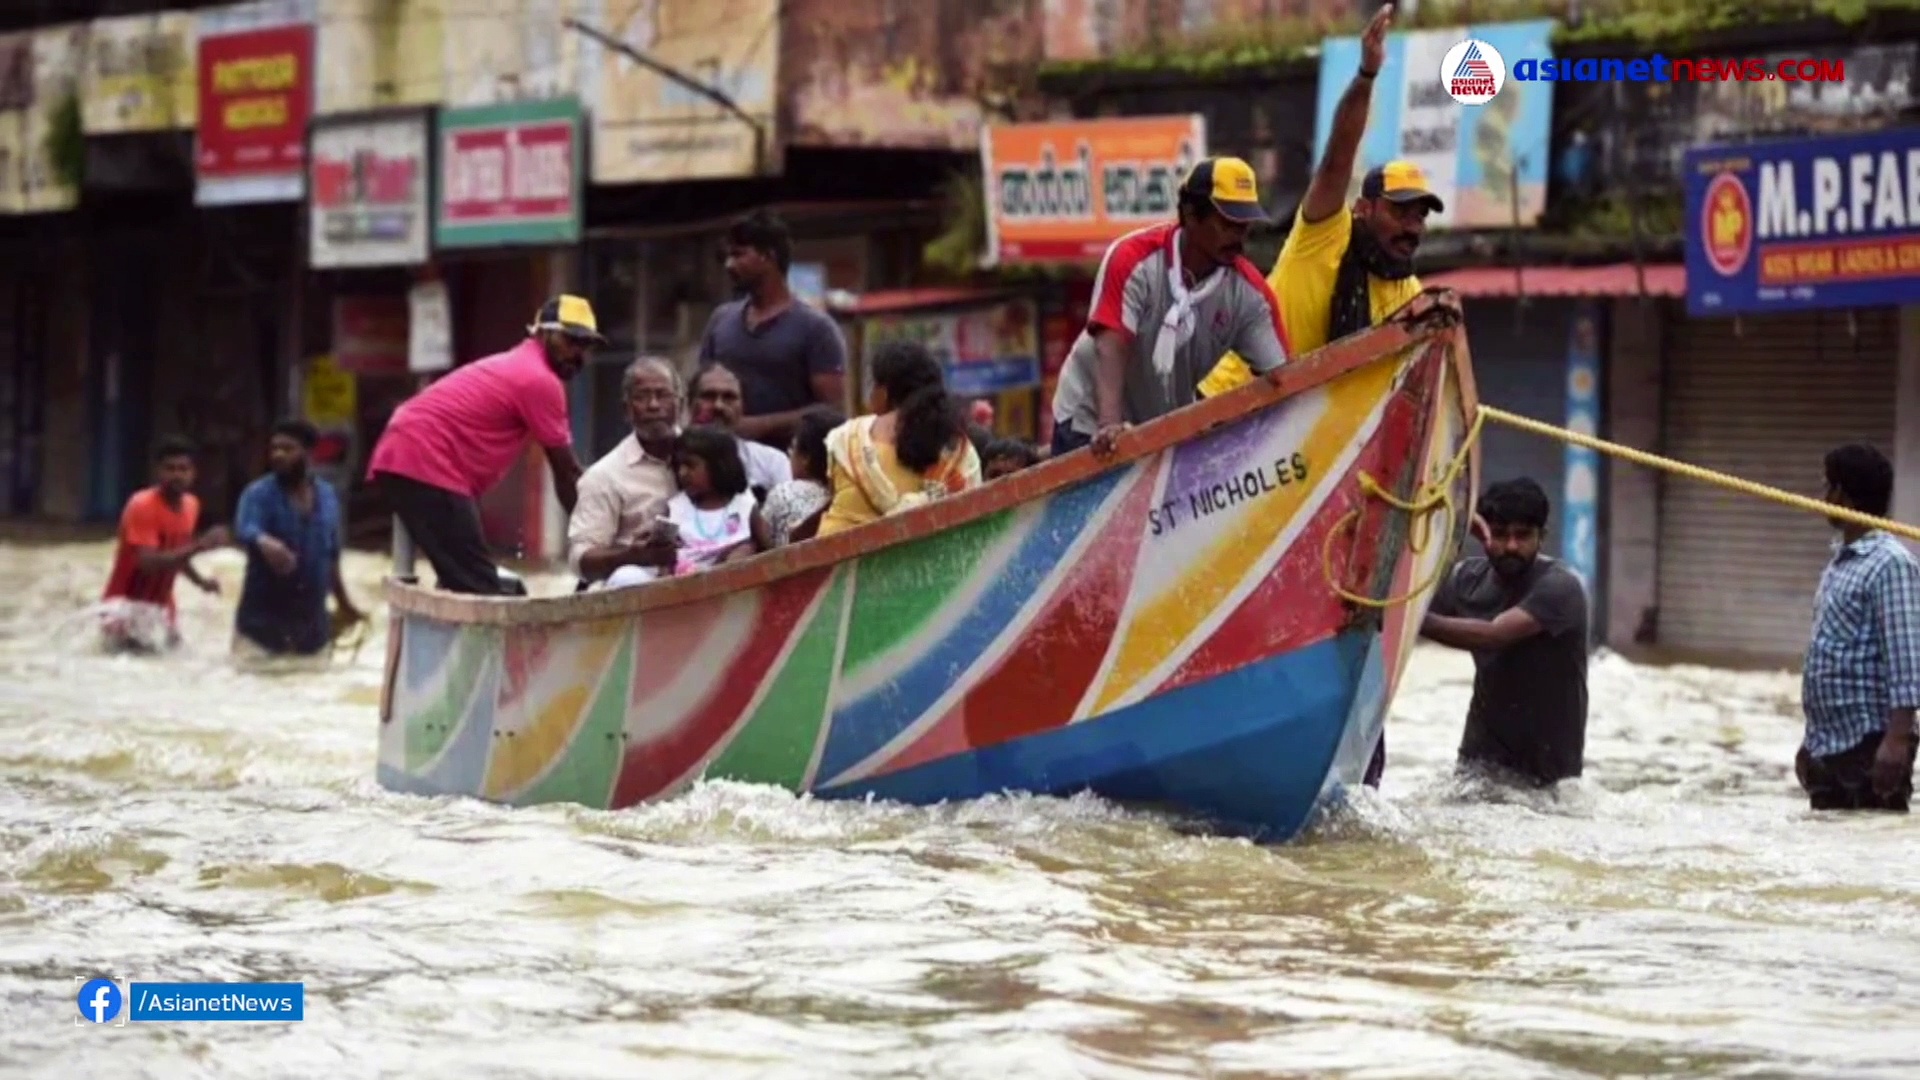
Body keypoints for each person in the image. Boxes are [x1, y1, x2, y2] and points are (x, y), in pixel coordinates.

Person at [1199, 4, 1435, 398]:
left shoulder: (1409, 296)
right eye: (1400, 211)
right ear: (1363, 209)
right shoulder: (1325, 235)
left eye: (1420, 216)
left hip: (1299, 437)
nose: (1412, 226)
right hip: (1225, 409)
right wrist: (1366, 76)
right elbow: (1338, 158)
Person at [1049, 155, 1289, 458]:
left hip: (1163, 432)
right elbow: (1111, 344)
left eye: (1245, 226)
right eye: (1228, 224)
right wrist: (1109, 425)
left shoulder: (1250, 296)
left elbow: (1282, 377)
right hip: (1088, 423)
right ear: (1190, 215)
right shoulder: (1133, 258)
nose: (1238, 237)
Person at [367, 294, 598, 595]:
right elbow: (566, 474)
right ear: (542, 334)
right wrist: (595, 541)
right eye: (571, 341)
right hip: (426, 461)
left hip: (411, 454)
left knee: (465, 578)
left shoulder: (521, 364)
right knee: (479, 589)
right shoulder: (539, 380)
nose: (579, 354)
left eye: (586, 346)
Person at [1419, 478, 1591, 790]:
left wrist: (1410, 619)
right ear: (1484, 534)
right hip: (1477, 766)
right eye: (1499, 534)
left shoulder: (1561, 588)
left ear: (1542, 537)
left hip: (1547, 781)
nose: (1511, 546)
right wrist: (1451, 526)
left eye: (1523, 536)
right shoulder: (1465, 580)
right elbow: (1411, 588)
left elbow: (1494, 635)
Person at [1797, 443, 1920, 812]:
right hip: (1830, 747)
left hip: (1870, 745)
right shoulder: (1842, 562)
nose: (1823, 497)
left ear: (1843, 496)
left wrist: (1897, 738)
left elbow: (1907, 656)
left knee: (1872, 848)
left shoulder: (1890, 564)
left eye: (1827, 486)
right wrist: (1810, 744)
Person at [698, 210, 848, 447]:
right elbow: (700, 392)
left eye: (739, 255)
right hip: (727, 466)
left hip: (791, 467)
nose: (729, 265)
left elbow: (833, 412)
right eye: (728, 256)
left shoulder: (816, 328)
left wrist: (758, 426)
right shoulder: (720, 320)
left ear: (768, 256)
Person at [818, 341, 981, 537]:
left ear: (884, 392)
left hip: (843, 562)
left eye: (873, 385)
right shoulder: (958, 448)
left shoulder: (847, 438)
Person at [230, 420, 363, 659]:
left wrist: (344, 604)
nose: (278, 455)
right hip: (261, 627)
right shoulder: (258, 494)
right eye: (274, 449)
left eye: (287, 449)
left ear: (308, 453)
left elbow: (331, 555)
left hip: (312, 629)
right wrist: (265, 542)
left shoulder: (328, 496)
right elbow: (245, 528)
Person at [99, 437, 229, 651]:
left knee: (172, 663)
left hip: (161, 606)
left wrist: (200, 581)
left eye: (183, 469)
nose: (177, 475)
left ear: (193, 473)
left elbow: (177, 554)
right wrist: (201, 546)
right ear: (158, 472)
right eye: (170, 469)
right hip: (124, 605)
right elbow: (147, 562)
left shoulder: (191, 505)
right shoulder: (142, 505)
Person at [568, 357, 683, 588]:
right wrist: (630, 556)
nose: (653, 405)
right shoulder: (604, 475)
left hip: (704, 572)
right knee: (627, 578)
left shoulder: (706, 454)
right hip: (640, 584)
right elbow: (579, 560)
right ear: (626, 409)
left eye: (662, 395)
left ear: (680, 404)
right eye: (641, 397)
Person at [607, 425, 768, 588]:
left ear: (719, 466)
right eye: (679, 466)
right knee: (625, 576)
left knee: (744, 551)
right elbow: (664, 560)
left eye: (690, 465)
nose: (682, 473)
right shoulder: (677, 508)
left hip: (729, 587)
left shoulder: (745, 506)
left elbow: (771, 548)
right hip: (683, 584)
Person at [687, 362, 793, 495]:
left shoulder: (771, 462)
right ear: (690, 403)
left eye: (729, 397)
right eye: (708, 396)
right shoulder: (671, 460)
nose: (718, 406)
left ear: (743, 407)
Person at [762, 405, 843, 546]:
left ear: (806, 457)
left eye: (792, 449)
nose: (790, 456)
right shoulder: (853, 493)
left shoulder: (785, 493)